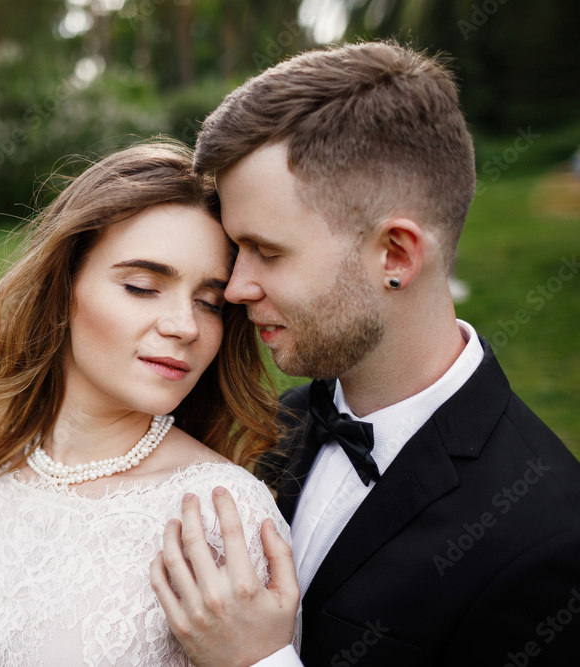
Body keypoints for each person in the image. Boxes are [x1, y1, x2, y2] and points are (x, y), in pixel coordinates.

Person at [150, 41, 580, 666]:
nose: (237, 288)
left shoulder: (548, 541)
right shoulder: (266, 427)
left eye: (267, 252)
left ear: (396, 256)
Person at [0, 140, 297, 666]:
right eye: (143, 287)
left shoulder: (221, 516)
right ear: (65, 284)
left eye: (209, 303)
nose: (184, 327)